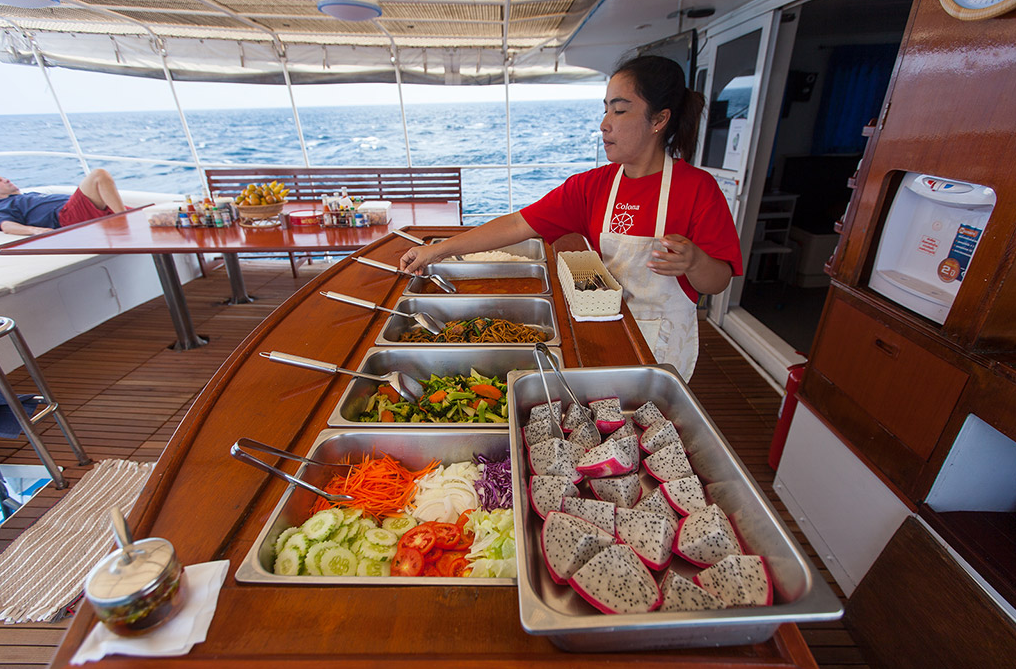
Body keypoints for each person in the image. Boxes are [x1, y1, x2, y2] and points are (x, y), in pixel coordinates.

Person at [400, 55, 743, 381]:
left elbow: (718, 281)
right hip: (603, 330)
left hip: (662, 346)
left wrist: (695, 261)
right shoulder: (594, 186)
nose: (604, 124)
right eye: (606, 109)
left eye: (620, 110)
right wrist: (439, 251)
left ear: (658, 120)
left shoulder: (698, 189)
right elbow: (519, 223)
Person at [0, 169, 126, 236]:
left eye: (4, 177)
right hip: (66, 215)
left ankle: (125, 218)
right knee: (99, 175)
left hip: (92, 209)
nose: (6, 180)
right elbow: (7, 226)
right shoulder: (5, 205)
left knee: (145, 216)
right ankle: (126, 219)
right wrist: (34, 230)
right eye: (0, 181)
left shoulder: (30, 195)